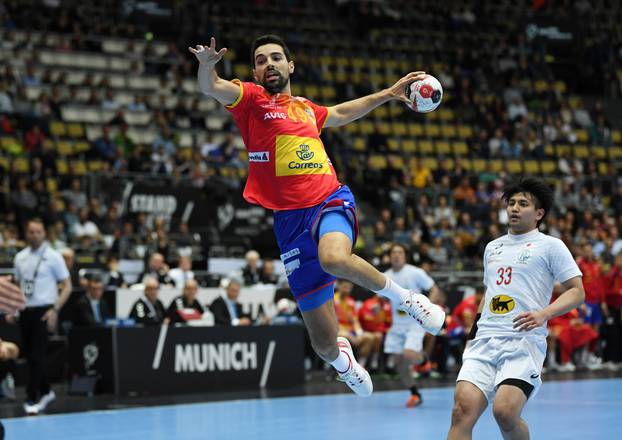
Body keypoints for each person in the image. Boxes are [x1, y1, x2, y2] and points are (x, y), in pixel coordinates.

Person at [189, 34, 444, 397]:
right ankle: (344, 361)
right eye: (261, 60)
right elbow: (210, 87)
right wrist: (206, 65)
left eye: (276, 57)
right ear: (255, 71)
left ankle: (408, 300)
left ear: (290, 65)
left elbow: (340, 113)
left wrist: (388, 94)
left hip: (328, 199)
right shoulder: (250, 99)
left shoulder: (306, 108)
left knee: (334, 257)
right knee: (324, 343)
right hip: (289, 223)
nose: (269, 64)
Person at [447, 177, 585, 440]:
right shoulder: (492, 247)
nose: (514, 208)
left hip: (522, 342)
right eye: (511, 203)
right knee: (460, 412)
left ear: (539, 214)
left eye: (523, 203)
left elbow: (577, 292)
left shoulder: (551, 246)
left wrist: (544, 314)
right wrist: (472, 335)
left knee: (505, 412)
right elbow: (488, 294)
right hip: (484, 341)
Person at [13, 218, 72, 415]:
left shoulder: (53, 256)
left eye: (38, 231)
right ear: (26, 233)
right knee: (30, 356)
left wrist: (55, 309)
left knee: (37, 355)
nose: (35, 235)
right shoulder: (20, 257)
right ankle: (46, 391)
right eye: (31, 232)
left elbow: (67, 286)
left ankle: (32, 396)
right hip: (25, 310)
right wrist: (13, 308)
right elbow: (17, 286)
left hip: (44, 310)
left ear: (44, 233)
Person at [383, 243, 443, 408]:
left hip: (414, 324)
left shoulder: (415, 272)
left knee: (409, 355)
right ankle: (415, 394)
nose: (396, 255)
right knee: (399, 364)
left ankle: (423, 359)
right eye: (393, 252)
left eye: (400, 252)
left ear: (405, 256)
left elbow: (434, 289)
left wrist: (427, 310)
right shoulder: (384, 275)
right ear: (389, 257)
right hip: (396, 326)